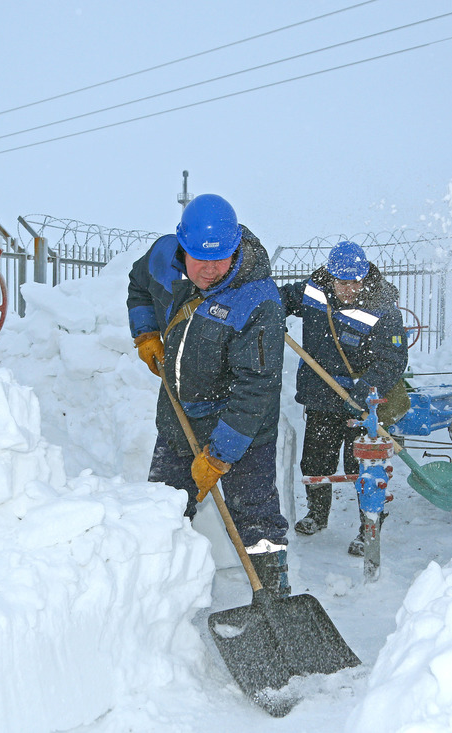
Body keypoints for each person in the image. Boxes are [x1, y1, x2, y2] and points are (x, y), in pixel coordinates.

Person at [127, 193, 291, 597]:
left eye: (222, 260)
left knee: (257, 521)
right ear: (182, 248)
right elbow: (138, 285)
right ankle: (156, 602)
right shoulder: (164, 257)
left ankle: (273, 597)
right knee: (161, 510)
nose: (212, 271)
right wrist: (146, 331)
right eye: (201, 260)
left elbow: (256, 390)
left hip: (243, 430)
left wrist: (220, 454)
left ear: (236, 248)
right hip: (179, 421)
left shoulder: (258, 301)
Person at [278, 240, 410, 556]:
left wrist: (365, 389)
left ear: (364, 277)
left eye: (355, 281)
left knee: (362, 468)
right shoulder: (313, 292)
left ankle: (369, 526)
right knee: (314, 461)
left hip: (360, 404)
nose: (349, 289)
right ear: (330, 276)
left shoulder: (382, 309)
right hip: (321, 396)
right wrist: (273, 315)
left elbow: (393, 359)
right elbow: (277, 299)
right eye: (342, 282)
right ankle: (317, 514)